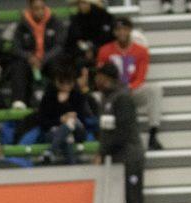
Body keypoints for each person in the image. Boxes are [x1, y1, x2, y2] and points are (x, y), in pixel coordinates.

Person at [93, 63, 146, 203]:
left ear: (106, 77)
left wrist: (102, 151)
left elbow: (121, 131)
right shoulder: (107, 99)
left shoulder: (122, 98)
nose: (95, 80)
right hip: (117, 159)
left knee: (133, 202)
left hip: (130, 158)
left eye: (98, 76)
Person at [96, 17, 163, 150]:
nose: (121, 32)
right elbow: (101, 77)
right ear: (114, 32)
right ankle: (103, 136)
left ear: (130, 31)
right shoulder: (104, 51)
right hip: (112, 93)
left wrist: (128, 88)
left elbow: (141, 76)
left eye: (124, 29)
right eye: (118, 29)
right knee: (96, 97)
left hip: (132, 90)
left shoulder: (141, 51)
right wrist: (115, 90)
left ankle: (153, 134)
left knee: (155, 89)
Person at [6, 0, 67, 110]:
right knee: (18, 66)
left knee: (59, 65)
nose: (40, 11)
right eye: (36, 8)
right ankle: (19, 101)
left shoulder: (55, 22)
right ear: (30, 9)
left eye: (42, 8)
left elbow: (59, 46)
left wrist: (43, 59)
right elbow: (16, 48)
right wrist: (29, 57)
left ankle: (62, 97)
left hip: (48, 60)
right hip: (29, 61)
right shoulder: (22, 25)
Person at [37, 64, 92, 165]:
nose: (66, 86)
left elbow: (83, 120)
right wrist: (60, 120)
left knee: (72, 121)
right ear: (56, 81)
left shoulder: (78, 95)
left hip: (78, 132)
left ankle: (50, 151)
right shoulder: (49, 96)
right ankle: (72, 168)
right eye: (62, 83)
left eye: (69, 83)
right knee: (68, 137)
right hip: (54, 132)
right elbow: (42, 121)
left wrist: (67, 108)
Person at [63, 0, 114, 74]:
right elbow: (72, 40)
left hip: (102, 52)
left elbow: (107, 39)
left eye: (84, 3)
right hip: (80, 54)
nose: (81, 6)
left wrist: (93, 49)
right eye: (79, 3)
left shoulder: (106, 18)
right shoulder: (76, 19)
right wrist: (85, 49)